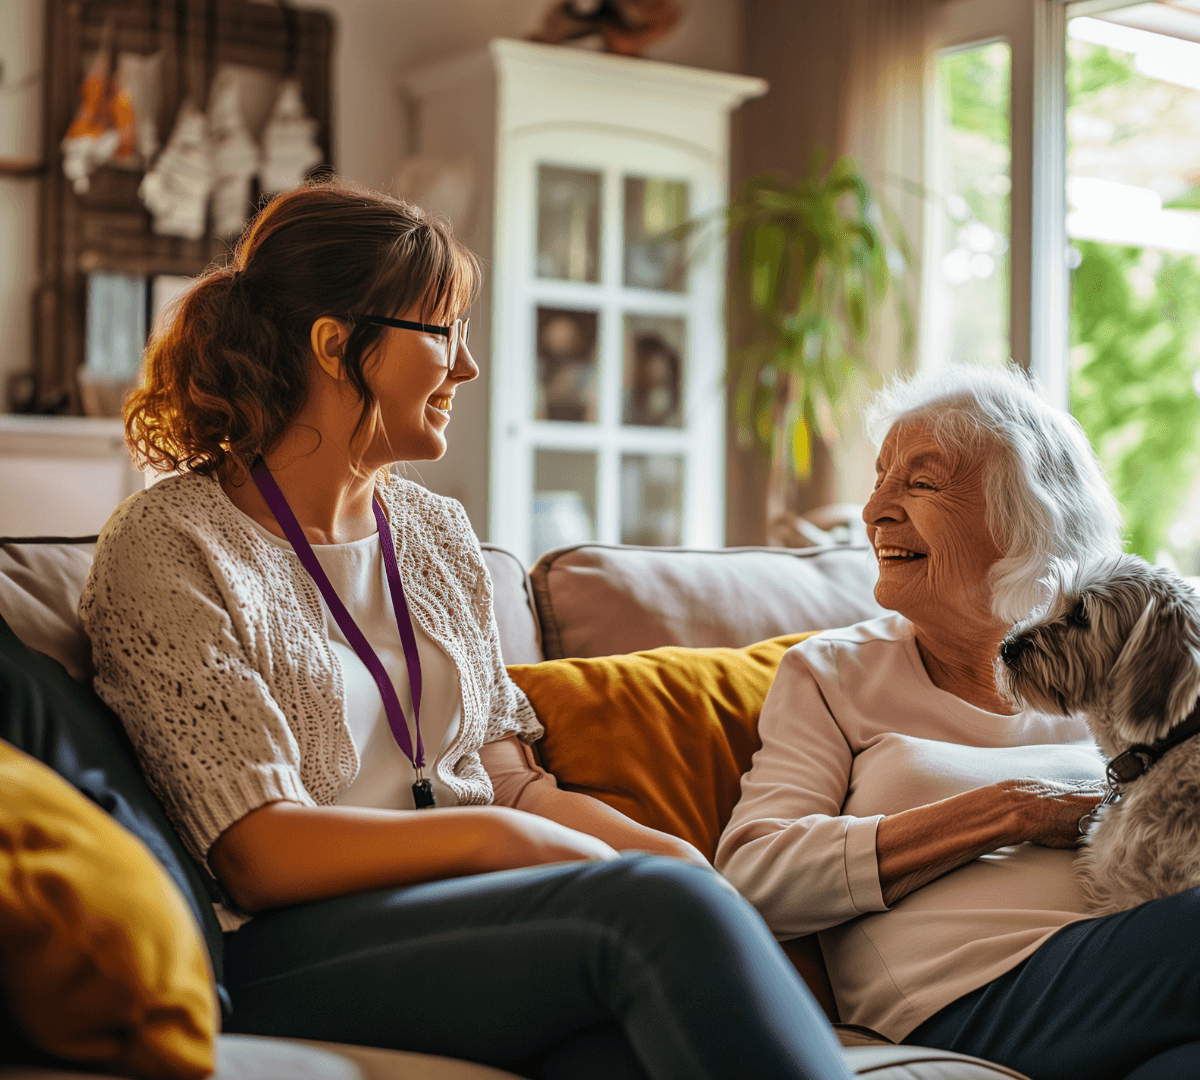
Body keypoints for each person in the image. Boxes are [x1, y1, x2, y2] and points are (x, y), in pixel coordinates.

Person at [80, 179, 852, 1080]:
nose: (467, 366)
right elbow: (258, 850)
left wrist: (685, 864)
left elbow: (511, 784)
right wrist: (502, 841)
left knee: (629, 1031)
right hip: (283, 948)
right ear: (337, 345)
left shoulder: (437, 534)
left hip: (470, 919)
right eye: (443, 331)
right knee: (644, 911)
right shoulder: (171, 543)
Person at [716, 363, 1200, 1080]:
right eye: (878, 479)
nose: (874, 508)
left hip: (1136, 986)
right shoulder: (834, 674)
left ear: (1027, 512)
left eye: (919, 481)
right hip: (974, 998)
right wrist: (1008, 812)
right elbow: (752, 875)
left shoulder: (1119, 666)